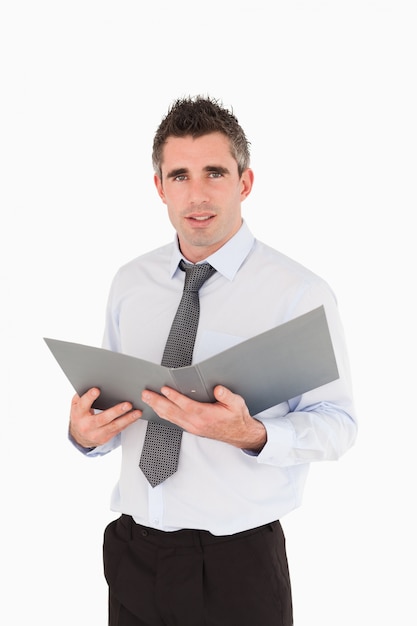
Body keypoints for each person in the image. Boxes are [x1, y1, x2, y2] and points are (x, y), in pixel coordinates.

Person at [69, 95, 357, 626]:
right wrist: (87, 434)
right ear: (159, 186)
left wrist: (251, 435)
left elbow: (339, 426)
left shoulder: (298, 293)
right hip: (133, 554)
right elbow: (111, 407)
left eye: (214, 172)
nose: (196, 194)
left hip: (236, 565)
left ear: (244, 183)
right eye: (179, 175)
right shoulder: (130, 283)